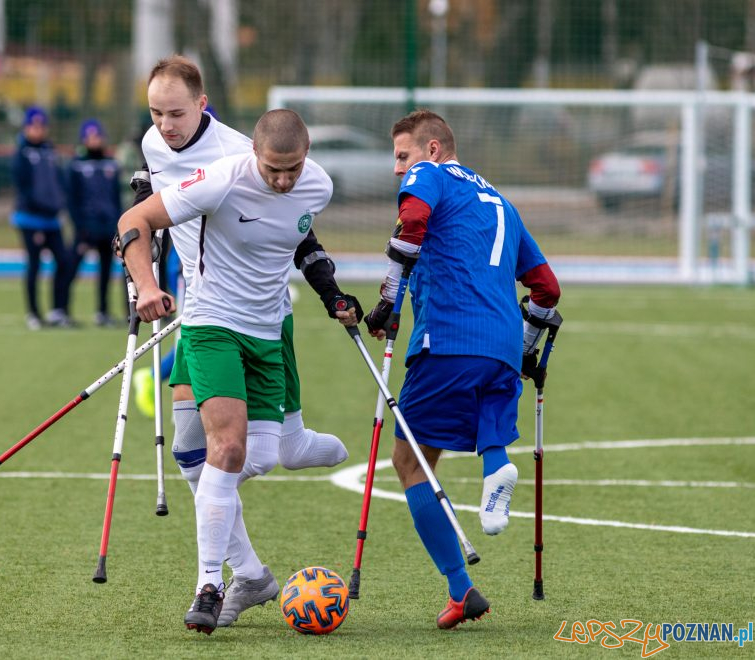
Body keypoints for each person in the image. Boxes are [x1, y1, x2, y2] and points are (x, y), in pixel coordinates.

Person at [127, 56, 360, 628]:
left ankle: (253, 573)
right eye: (156, 113)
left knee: (227, 457)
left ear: (203, 106)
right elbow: (136, 221)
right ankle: (211, 584)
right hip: (207, 320)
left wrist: (333, 294)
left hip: (269, 323)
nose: (165, 124)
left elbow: (301, 238)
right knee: (215, 451)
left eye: (175, 112)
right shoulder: (199, 164)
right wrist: (147, 286)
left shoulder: (309, 182)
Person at [363, 109, 561, 629]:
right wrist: (526, 343)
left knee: (409, 463)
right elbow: (547, 289)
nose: (397, 169)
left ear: (431, 150)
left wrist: (387, 300)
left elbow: (413, 223)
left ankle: (459, 586)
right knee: (483, 434)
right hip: (501, 347)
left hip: (446, 341)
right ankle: (496, 467)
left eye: (402, 156)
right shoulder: (502, 202)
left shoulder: (429, 176)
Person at [10, 106, 73, 330]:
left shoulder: (50, 151)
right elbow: (23, 187)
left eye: (41, 125)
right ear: (26, 127)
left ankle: (58, 311)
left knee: (64, 261)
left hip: (52, 219)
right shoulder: (21, 152)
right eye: (33, 125)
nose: (38, 130)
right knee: (34, 265)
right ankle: (33, 314)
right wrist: (42, 206)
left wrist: (61, 203)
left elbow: (59, 182)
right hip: (31, 219)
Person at [64, 118, 124, 326]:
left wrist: (118, 224)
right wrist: (79, 225)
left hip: (107, 227)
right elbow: (71, 199)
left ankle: (103, 312)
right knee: (71, 268)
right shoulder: (76, 165)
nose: (94, 140)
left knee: (106, 271)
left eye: (97, 135)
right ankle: (62, 310)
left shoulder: (111, 164)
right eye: (89, 136)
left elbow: (116, 198)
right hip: (85, 228)